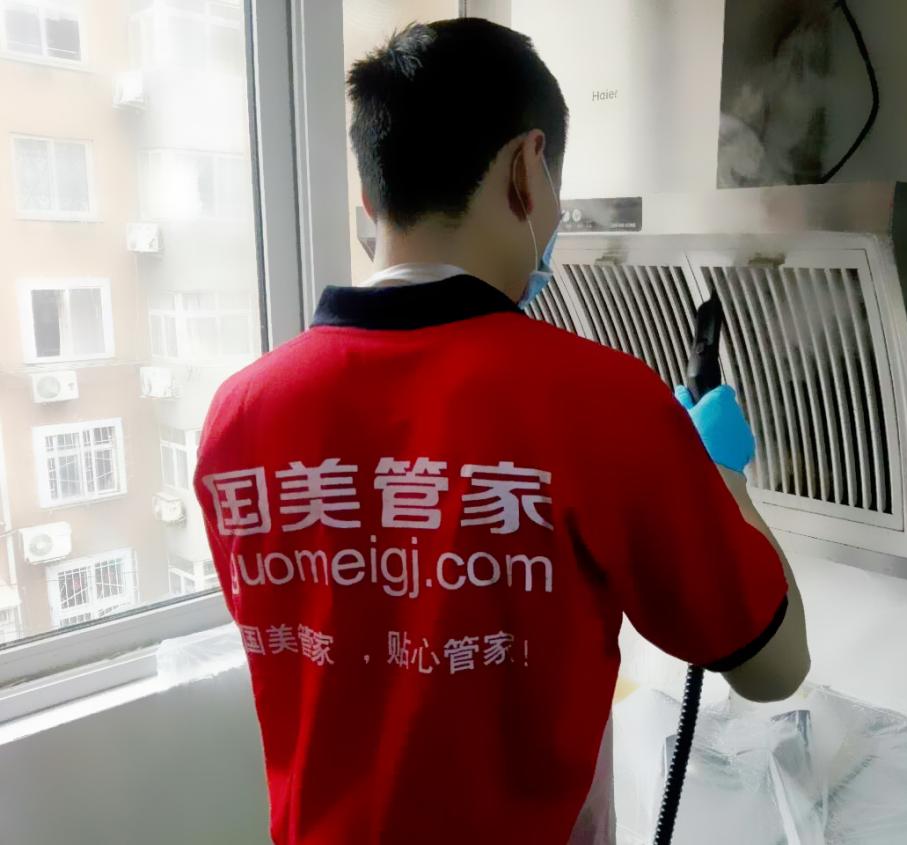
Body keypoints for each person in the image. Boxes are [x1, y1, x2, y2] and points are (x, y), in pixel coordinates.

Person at [194, 17, 809, 845]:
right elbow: (774, 665)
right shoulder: (601, 403)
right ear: (528, 168)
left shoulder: (237, 415)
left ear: (371, 198)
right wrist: (724, 475)